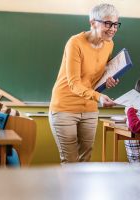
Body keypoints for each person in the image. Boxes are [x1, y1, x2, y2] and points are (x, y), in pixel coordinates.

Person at [49, 3, 120, 163]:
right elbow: (74, 83)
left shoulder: (109, 44)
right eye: (108, 23)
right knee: (70, 161)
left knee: (85, 161)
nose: (113, 29)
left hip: (89, 108)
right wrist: (99, 97)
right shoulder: (75, 43)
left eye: (115, 24)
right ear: (93, 22)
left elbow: (97, 74)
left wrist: (107, 80)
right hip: (64, 108)